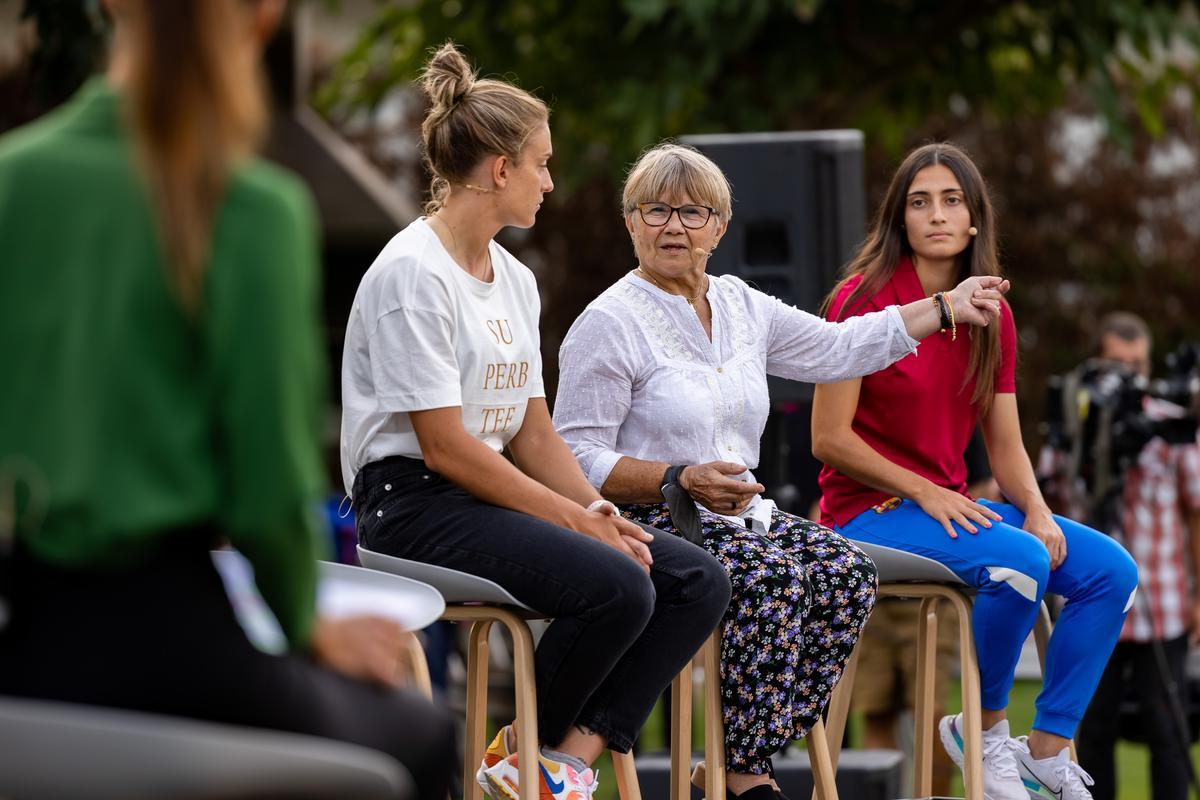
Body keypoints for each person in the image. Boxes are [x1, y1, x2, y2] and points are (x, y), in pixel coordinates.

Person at [0, 2, 454, 798]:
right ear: (266, 16)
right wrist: (306, 622)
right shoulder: (254, 209)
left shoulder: (14, 181)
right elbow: (268, 492)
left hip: (29, 642)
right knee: (420, 737)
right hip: (177, 646)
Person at [551, 141, 1008, 799]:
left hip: (739, 513)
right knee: (773, 581)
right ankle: (748, 777)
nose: (672, 225)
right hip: (652, 514)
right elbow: (576, 458)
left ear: (719, 227)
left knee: (848, 573)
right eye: (655, 210)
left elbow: (839, 347)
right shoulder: (608, 322)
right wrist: (677, 476)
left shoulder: (740, 304)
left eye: (691, 211)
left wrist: (942, 309)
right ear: (630, 222)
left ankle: (742, 753)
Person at [340, 45, 731, 800]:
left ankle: (549, 761)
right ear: (498, 169)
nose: (551, 182)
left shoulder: (514, 278)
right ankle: (524, 760)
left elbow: (535, 436)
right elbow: (447, 447)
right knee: (619, 587)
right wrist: (577, 524)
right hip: (408, 503)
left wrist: (596, 510)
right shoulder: (410, 276)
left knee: (694, 581)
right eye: (542, 165)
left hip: (482, 492)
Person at [812, 142, 1140, 800]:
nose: (936, 214)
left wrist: (1040, 509)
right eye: (919, 201)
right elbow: (828, 438)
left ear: (974, 219)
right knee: (1019, 563)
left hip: (948, 510)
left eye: (952, 200)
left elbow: (1007, 447)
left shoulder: (993, 314)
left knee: (1112, 573)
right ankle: (982, 733)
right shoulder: (861, 300)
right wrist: (927, 491)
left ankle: (1045, 751)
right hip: (865, 513)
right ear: (899, 219)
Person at [1065, 313, 1200, 800]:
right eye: (1118, 365)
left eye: (1137, 365)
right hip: (1091, 607)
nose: (1129, 376)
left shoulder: (1171, 422)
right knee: (1091, 735)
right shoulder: (1074, 418)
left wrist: (1198, 596)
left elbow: (1196, 513)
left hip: (1161, 606)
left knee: (1169, 733)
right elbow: (1045, 499)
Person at [849, 428, 997, 798]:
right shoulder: (857, 400)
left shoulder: (947, 406)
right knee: (875, 710)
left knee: (931, 717)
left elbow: (982, 486)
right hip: (875, 587)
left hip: (932, 588)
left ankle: (933, 795)